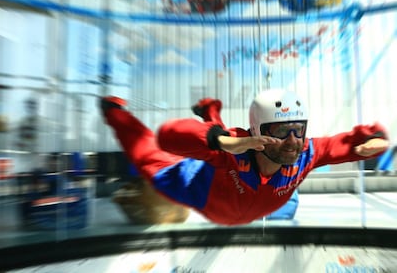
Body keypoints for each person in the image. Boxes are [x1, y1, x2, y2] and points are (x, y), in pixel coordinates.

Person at [99, 89, 388, 226]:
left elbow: (344, 143)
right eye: (280, 130)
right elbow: (167, 137)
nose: (292, 141)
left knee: (227, 138)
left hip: (230, 186)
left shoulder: (304, 154)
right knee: (145, 155)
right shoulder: (236, 146)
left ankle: (209, 111)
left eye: (299, 130)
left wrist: (370, 139)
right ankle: (114, 112)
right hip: (193, 187)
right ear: (258, 131)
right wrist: (222, 142)